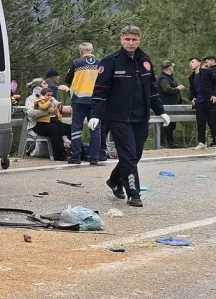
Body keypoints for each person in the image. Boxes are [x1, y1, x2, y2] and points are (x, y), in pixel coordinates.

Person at [88, 25, 169, 208]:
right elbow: (99, 92)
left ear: (139, 40)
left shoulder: (145, 60)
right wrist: (95, 115)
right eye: (127, 39)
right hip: (118, 117)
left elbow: (152, 89)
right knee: (129, 155)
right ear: (121, 39)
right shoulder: (110, 62)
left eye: (134, 39)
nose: (131, 43)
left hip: (140, 116)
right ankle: (134, 193)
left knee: (135, 155)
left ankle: (114, 179)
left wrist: (161, 111)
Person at [63, 42, 103, 165]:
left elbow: (68, 79)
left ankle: (76, 156)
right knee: (95, 128)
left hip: (79, 99)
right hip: (96, 99)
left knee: (76, 128)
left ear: (81, 52)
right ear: (92, 51)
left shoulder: (77, 63)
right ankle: (94, 157)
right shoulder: (100, 63)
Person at [31, 86, 71, 161]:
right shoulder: (32, 99)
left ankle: (78, 152)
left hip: (51, 120)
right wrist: (48, 111)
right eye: (43, 83)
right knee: (54, 128)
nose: (46, 84)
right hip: (38, 124)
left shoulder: (50, 98)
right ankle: (60, 154)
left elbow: (57, 106)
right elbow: (31, 113)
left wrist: (59, 107)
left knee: (68, 127)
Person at [157, 61, 184, 148]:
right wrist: (177, 89)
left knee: (171, 125)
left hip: (171, 105)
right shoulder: (163, 78)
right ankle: (162, 143)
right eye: (172, 67)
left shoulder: (168, 77)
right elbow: (166, 89)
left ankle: (170, 142)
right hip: (166, 105)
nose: (173, 68)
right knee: (165, 125)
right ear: (169, 68)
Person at [188, 58, 209, 148]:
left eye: (192, 62)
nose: (190, 64)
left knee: (213, 122)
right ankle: (201, 142)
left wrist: (215, 95)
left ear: (199, 63)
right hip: (199, 102)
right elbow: (192, 90)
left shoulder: (206, 73)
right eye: (189, 63)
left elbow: (215, 84)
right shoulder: (192, 77)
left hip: (208, 101)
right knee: (200, 123)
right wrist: (192, 98)